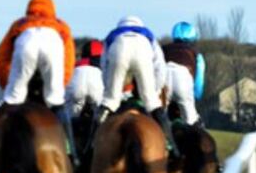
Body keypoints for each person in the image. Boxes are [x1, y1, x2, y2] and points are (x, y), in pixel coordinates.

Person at [0, 0, 78, 164]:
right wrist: (59, 86)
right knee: (56, 100)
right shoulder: (61, 25)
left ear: (29, 10)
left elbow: (3, 57)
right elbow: (68, 60)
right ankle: (70, 150)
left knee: (13, 99)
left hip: (26, 41)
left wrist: (8, 87)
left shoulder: (19, 23)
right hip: (53, 42)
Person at [99, 16, 179, 157]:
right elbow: (160, 67)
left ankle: (93, 146)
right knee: (152, 104)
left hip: (118, 48)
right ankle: (171, 146)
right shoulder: (148, 34)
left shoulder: (112, 35)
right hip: (143, 49)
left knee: (110, 102)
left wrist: (109, 92)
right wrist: (156, 90)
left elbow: (104, 66)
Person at [162, 21, 206, 127]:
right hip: (183, 86)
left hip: (163, 83)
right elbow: (198, 84)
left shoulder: (162, 49)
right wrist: (196, 97)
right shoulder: (197, 55)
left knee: (157, 119)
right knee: (193, 123)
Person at [67, 39, 104, 118]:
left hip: (76, 83)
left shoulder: (76, 63)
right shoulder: (102, 63)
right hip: (96, 85)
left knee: (70, 119)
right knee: (101, 120)